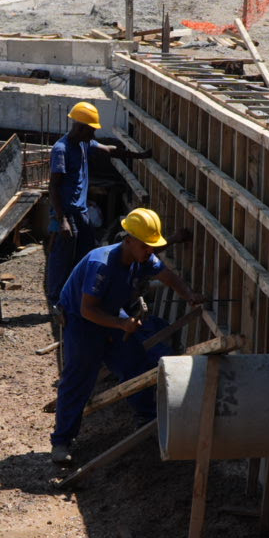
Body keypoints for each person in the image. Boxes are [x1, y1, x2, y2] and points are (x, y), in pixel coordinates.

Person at [49, 208, 203, 464]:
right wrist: (121, 324)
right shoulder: (102, 265)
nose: (150, 251)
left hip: (109, 313)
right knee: (78, 378)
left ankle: (146, 419)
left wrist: (189, 295)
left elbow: (165, 275)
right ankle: (62, 441)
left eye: (152, 247)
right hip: (81, 320)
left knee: (136, 364)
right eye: (146, 246)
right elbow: (88, 309)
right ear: (129, 240)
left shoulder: (141, 258)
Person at [45, 101, 149, 303]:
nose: (93, 135)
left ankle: (75, 293)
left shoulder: (84, 143)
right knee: (61, 257)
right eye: (91, 131)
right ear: (81, 127)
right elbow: (53, 187)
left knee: (85, 254)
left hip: (81, 213)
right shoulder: (61, 150)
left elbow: (109, 149)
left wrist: (139, 155)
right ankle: (55, 299)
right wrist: (62, 220)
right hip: (66, 214)